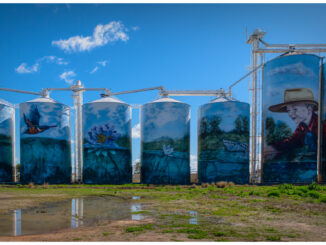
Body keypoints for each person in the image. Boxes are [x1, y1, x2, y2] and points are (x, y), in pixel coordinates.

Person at [264, 88, 318, 158]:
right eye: (288, 110)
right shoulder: (302, 128)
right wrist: (273, 148)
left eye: (295, 109)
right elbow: (292, 142)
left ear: (309, 109)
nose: (290, 114)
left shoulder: (322, 126)